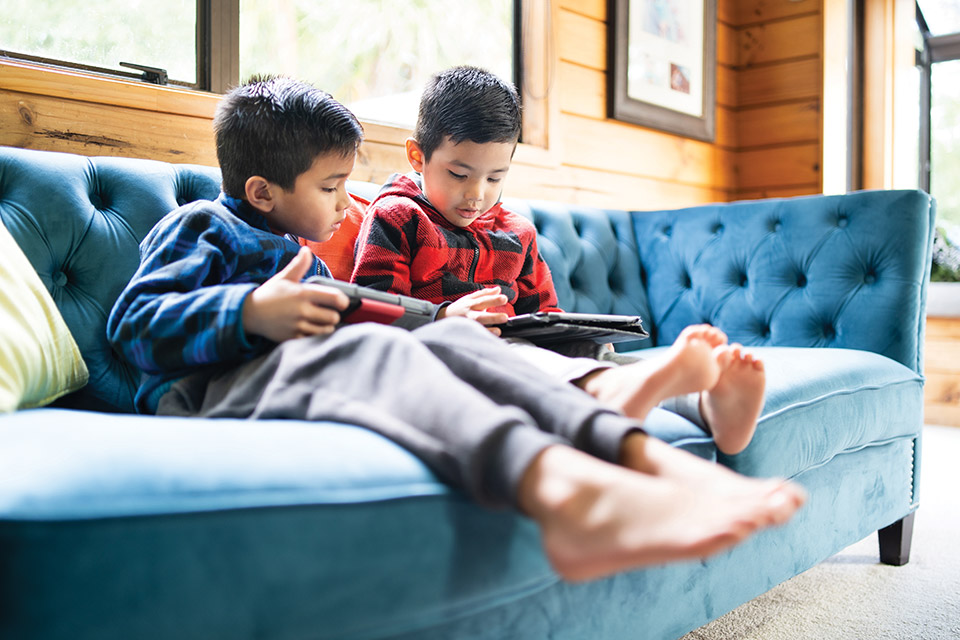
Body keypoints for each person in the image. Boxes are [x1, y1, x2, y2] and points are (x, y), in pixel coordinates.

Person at [106, 75, 805, 583]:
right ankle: (566, 495)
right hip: (209, 390)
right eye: (331, 188)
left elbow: (370, 309)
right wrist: (249, 315)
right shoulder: (204, 226)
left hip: (297, 367)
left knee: (452, 341)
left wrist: (440, 321)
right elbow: (133, 326)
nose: (349, 202)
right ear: (262, 192)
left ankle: (648, 457)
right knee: (379, 351)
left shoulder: (303, 257)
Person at [350, 65, 764, 455]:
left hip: (517, 345)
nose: (477, 193)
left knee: (583, 349)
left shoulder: (516, 231)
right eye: (460, 175)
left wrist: (563, 329)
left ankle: (704, 406)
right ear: (418, 157)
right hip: (446, 352)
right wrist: (442, 317)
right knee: (514, 356)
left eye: (495, 178)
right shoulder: (399, 217)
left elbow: (542, 311)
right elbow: (372, 309)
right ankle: (613, 398)